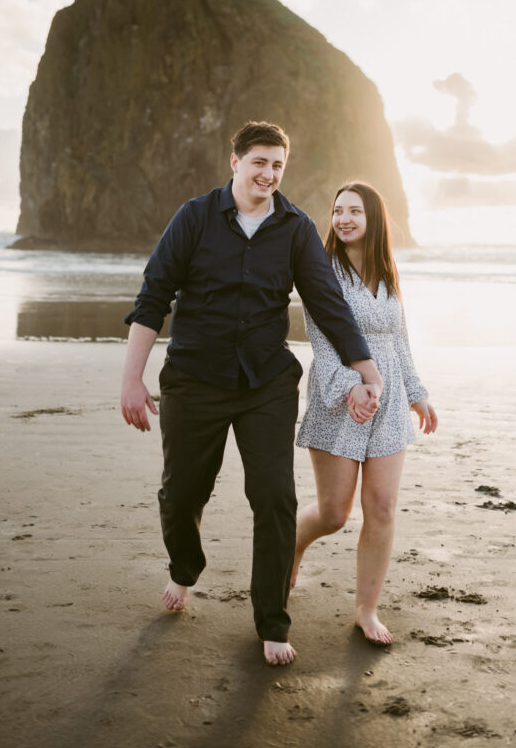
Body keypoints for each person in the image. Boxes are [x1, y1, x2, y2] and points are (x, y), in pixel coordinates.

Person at [120, 122, 383, 666]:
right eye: (259, 162)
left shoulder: (294, 227)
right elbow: (153, 298)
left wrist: (367, 370)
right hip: (194, 380)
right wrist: (131, 378)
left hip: (266, 382)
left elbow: (328, 303)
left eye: (277, 165)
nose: (268, 174)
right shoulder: (194, 217)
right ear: (235, 161)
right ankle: (184, 569)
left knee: (274, 496)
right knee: (183, 493)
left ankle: (271, 620)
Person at [293, 181, 437, 645]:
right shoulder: (322, 270)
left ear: (373, 219)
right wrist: (352, 388)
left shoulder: (388, 273)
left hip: (390, 400)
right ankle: (290, 550)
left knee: (381, 506)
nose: (344, 219)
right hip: (340, 398)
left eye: (355, 210)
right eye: (338, 211)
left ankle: (366, 609)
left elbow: (399, 340)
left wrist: (417, 393)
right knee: (334, 513)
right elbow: (321, 339)